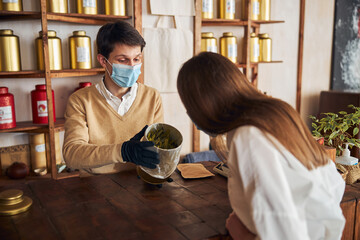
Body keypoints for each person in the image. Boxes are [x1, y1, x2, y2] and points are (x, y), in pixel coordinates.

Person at [177, 52, 345, 240]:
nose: (190, 115)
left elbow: (281, 228)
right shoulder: (275, 111)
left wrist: (241, 233)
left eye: (190, 107)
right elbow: (333, 183)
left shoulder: (247, 136)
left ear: (205, 103)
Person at [63, 21, 163, 175]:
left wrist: (163, 170)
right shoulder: (81, 101)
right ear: (103, 61)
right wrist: (123, 151)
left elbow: (158, 148)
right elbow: (72, 154)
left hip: (139, 182)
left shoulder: (152, 97)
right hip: (95, 187)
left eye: (136, 59)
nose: (131, 66)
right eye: (123, 60)